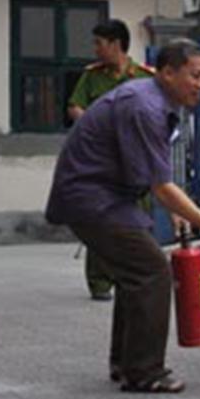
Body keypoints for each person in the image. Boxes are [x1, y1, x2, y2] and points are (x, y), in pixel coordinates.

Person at [46, 38, 200, 394]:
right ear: (167, 73)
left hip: (109, 196)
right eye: (195, 75)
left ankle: (126, 363)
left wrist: (179, 211)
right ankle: (144, 371)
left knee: (134, 273)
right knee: (151, 270)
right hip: (93, 197)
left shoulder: (153, 101)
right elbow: (161, 185)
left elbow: (154, 173)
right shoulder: (144, 107)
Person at [67, 19, 155, 302]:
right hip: (102, 160)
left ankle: (133, 274)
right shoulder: (92, 77)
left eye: (99, 43)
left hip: (134, 159)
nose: (95, 49)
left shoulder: (144, 77)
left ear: (116, 44)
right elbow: (75, 106)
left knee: (137, 216)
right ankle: (100, 281)